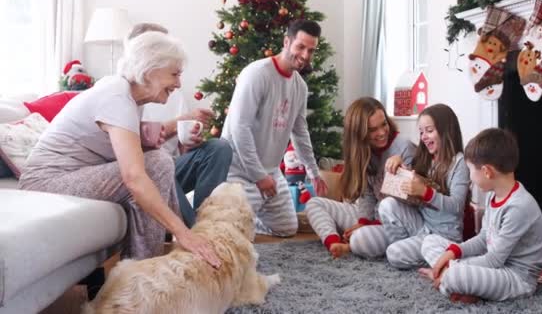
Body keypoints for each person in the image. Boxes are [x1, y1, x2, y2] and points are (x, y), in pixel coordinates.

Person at [19, 32, 220, 267]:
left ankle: (154, 266)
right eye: (174, 74)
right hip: (45, 183)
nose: (178, 83)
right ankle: (145, 274)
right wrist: (183, 232)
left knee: (158, 161)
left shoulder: (130, 98)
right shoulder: (117, 97)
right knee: (156, 163)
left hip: (67, 176)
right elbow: (133, 177)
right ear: (149, 70)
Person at [222, 19, 328, 237]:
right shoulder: (257, 74)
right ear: (286, 41)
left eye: (311, 50)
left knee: (287, 228)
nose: (306, 55)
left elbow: (300, 132)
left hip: (270, 171)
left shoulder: (300, 85)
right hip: (239, 170)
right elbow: (239, 128)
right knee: (232, 233)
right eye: (301, 47)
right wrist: (258, 176)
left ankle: (252, 219)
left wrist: (313, 172)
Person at [419, 128, 542, 303]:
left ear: (487, 172)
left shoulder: (519, 207)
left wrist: (452, 267)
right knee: (430, 242)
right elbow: (484, 238)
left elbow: (494, 260)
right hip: (493, 265)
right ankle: (456, 282)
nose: (470, 178)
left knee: (455, 275)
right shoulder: (492, 195)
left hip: (516, 278)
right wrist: (454, 252)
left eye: (471, 170)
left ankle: (448, 279)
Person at [128, 23, 233, 228]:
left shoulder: (171, 93)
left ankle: (208, 222)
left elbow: (181, 147)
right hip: (146, 170)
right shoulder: (125, 91)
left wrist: (190, 140)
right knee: (159, 161)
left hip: (171, 168)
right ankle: (197, 233)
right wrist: (177, 124)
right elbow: (133, 151)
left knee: (219, 148)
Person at [306, 97, 416, 259]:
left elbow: (405, 205)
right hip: (371, 217)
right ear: (359, 134)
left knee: (361, 238)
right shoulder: (364, 152)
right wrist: (363, 222)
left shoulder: (404, 148)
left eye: (384, 124)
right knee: (314, 203)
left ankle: (352, 245)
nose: (381, 133)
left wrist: (367, 226)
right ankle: (334, 242)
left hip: (395, 223)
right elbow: (367, 194)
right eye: (372, 130)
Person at [379, 103, 470, 269]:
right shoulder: (425, 159)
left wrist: (426, 192)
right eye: (421, 132)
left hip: (444, 236)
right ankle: (417, 250)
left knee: (394, 254)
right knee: (387, 206)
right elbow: (412, 192)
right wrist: (399, 166)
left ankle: (440, 260)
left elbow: (457, 206)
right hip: (422, 226)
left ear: (446, 131)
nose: (424, 137)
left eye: (429, 131)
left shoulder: (459, 163)